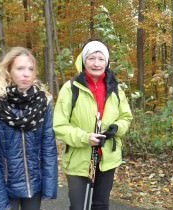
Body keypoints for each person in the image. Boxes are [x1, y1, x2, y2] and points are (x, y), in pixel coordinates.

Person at [53, 39, 133, 210]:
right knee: (79, 206)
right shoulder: (70, 88)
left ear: (107, 62)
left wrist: (116, 128)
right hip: (78, 159)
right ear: (83, 60)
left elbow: (126, 117)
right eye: (91, 58)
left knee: (100, 205)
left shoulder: (116, 89)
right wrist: (85, 138)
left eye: (100, 58)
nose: (96, 63)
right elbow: (59, 126)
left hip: (107, 159)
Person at [0, 47, 58, 210]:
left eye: (31, 69)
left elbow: (48, 146)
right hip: (4, 186)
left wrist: (48, 185)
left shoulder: (43, 102)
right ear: (8, 70)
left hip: (34, 185)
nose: (26, 74)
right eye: (20, 68)